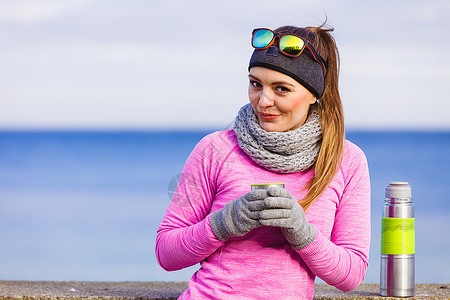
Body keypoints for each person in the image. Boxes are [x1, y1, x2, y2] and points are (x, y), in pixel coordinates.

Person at [156, 24, 371, 299]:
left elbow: (351, 275)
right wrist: (223, 223)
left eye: (281, 89)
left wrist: (302, 233)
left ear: (315, 94)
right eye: (256, 84)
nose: (263, 101)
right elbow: (166, 253)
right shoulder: (215, 148)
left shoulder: (346, 160)